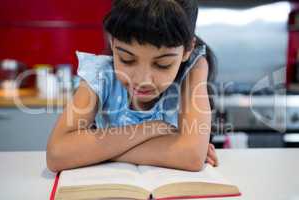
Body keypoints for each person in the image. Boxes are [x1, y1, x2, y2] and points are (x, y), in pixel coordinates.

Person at [46, 0, 218, 173]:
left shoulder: (194, 66)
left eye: (163, 64)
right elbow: (56, 154)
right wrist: (151, 129)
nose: (143, 80)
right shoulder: (101, 73)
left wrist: (95, 152)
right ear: (112, 42)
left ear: (188, 50)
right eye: (127, 59)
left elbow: (191, 156)